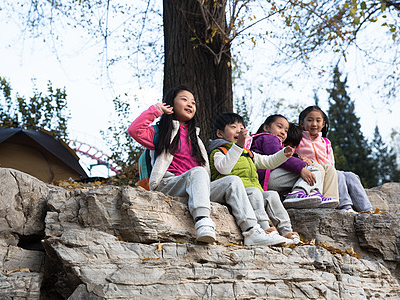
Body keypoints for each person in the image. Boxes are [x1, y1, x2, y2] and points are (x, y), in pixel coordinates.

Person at [128, 86, 290, 246]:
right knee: (198, 172)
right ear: (170, 103)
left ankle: (252, 231)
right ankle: (203, 221)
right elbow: (135, 130)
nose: (190, 104)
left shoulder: (196, 139)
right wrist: (157, 110)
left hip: (198, 186)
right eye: (184, 100)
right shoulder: (161, 132)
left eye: (193, 102)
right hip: (170, 184)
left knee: (232, 181)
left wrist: (285, 154)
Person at [208, 113, 300, 245]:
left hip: (254, 193)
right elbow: (224, 169)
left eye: (241, 127)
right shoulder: (219, 151)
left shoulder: (248, 153)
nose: (239, 130)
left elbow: (268, 162)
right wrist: (238, 146)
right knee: (254, 192)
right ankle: (264, 229)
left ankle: (287, 232)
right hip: (236, 194)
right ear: (220, 133)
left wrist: (283, 155)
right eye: (233, 127)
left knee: (272, 195)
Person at [250, 114, 339, 209]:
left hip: (268, 178)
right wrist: (301, 168)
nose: (283, 132)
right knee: (312, 170)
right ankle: (299, 192)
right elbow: (280, 157)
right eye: (279, 127)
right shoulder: (269, 138)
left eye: (286, 130)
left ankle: (313, 194)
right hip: (267, 177)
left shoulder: (266, 139)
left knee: (312, 169)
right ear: (266, 127)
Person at [297, 106, 373, 213]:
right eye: (310, 120)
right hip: (315, 173)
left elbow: (331, 161)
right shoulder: (298, 140)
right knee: (339, 175)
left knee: (351, 176)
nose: (314, 124)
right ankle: (345, 206)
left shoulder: (326, 142)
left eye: (318, 121)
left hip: (330, 173)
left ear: (323, 124)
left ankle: (367, 209)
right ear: (301, 123)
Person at [285, 122, 340, 202]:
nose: (290, 148)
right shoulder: (277, 146)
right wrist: (301, 166)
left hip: (294, 169)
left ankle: (328, 200)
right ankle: (310, 192)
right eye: (286, 145)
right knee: (315, 168)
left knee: (329, 168)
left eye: (293, 147)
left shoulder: (325, 142)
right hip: (282, 174)